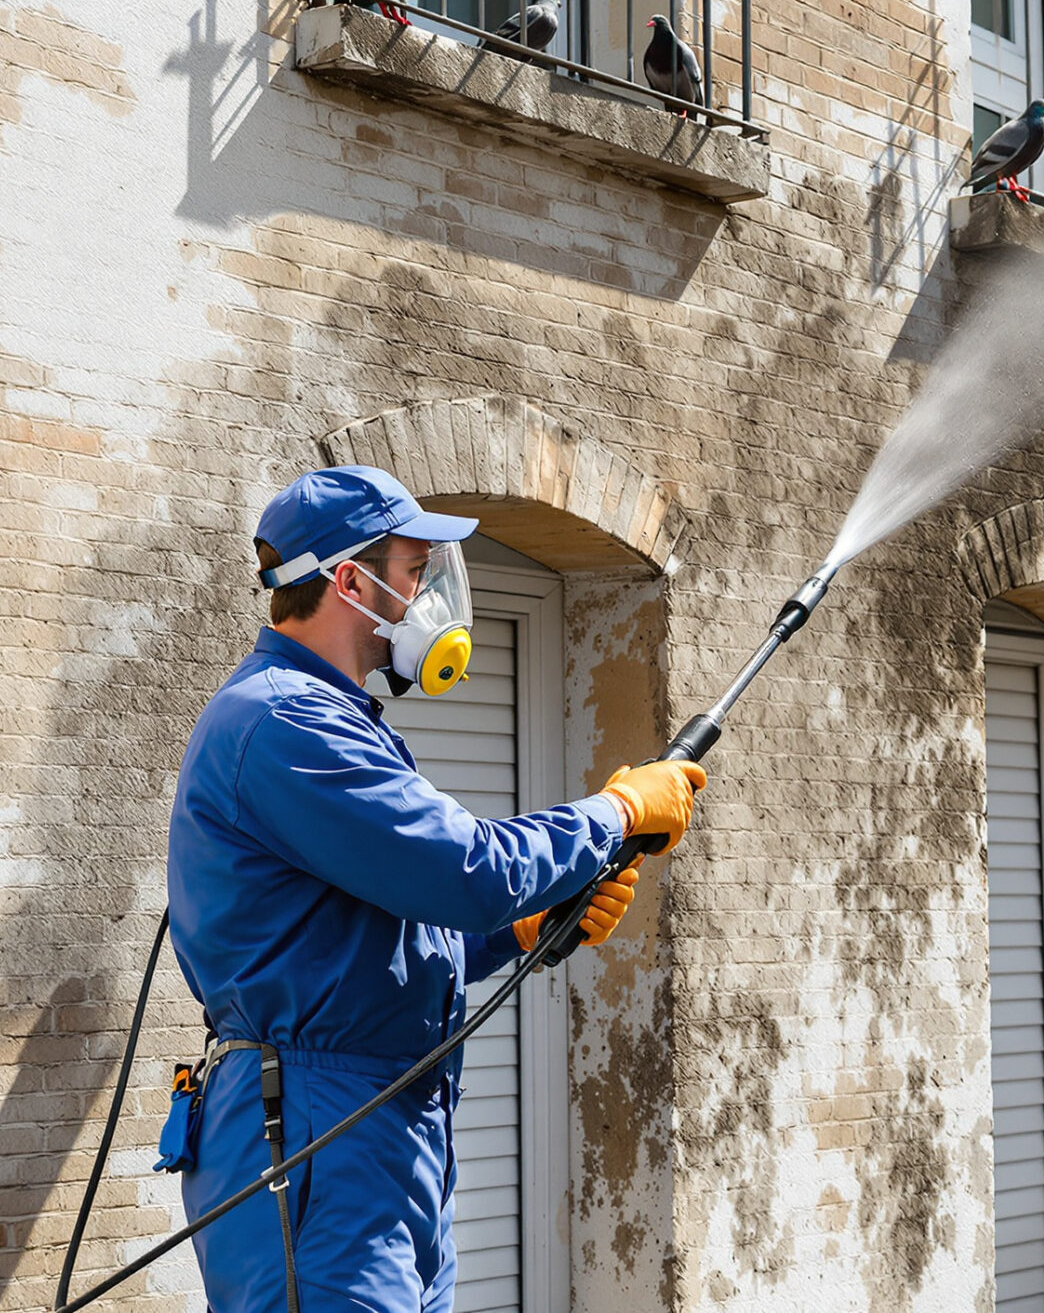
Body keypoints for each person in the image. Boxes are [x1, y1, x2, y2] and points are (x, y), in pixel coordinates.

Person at [165, 464, 704, 1312]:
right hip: (314, 1132)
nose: (430, 596)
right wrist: (615, 810)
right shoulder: (284, 722)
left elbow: (371, 931)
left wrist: (516, 935)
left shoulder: (331, 719)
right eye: (417, 572)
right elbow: (466, 870)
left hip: (379, 1128)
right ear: (350, 579)